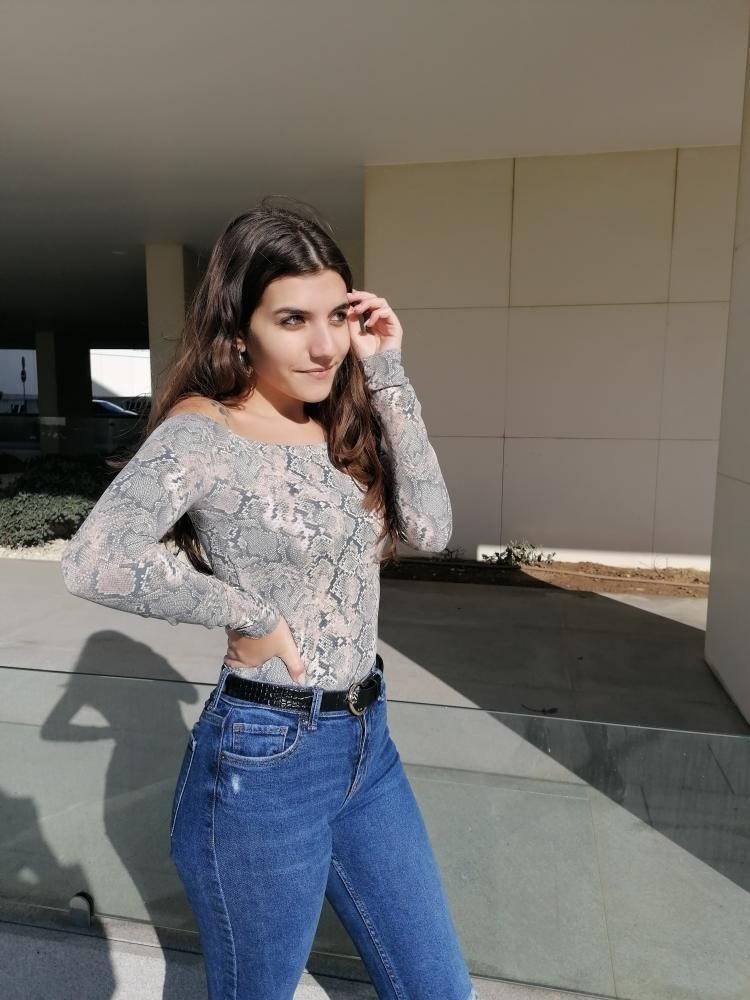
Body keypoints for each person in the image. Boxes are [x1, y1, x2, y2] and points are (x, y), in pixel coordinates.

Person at [60, 196, 478, 1000]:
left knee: (439, 990)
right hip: (265, 758)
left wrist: (387, 370)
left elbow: (431, 528)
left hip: (368, 747)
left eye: (336, 316)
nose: (324, 346)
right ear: (239, 327)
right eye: (292, 320)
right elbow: (94, 561)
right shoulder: (204, 432)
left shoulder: (341, 418)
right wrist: (245, 612)